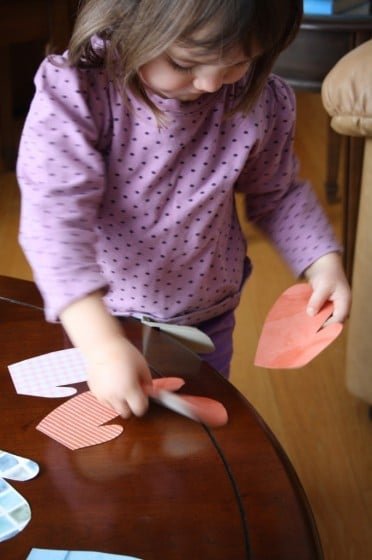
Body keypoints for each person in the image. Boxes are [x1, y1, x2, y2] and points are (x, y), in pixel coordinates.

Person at [17, 0, 351, 418]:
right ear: (127, 19)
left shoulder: (260, 100)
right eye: (184, 62)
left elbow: (278, 194)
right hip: (99, 315)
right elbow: (53, 223)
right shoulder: (80, 90)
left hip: (205, 317)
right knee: (108, 435)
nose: (212, 83)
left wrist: (322, 262)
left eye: (238, 62)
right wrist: (101, 345)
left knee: (197, 443)